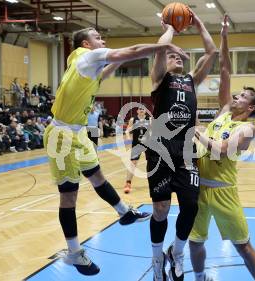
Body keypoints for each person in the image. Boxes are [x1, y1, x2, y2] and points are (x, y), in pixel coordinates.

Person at [43, 27, 188, 276]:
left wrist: (151, 51)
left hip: (77, 133)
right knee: (69, 197)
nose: (103, 40)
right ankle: (74, 254)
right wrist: (163, 46)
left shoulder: (84, 64)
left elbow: (108, 70)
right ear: (86, 44)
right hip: (61, 135)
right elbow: (129, 52)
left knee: (97, 176)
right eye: (98, 37)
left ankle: (123, 212)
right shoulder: (86, 56)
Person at [189, 15, 255, 281]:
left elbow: (221, 150)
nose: (236, 96)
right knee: (195, 241)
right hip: (199, 187)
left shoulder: (247, 129)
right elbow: (224, 70)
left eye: (242, 97)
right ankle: (200, 278)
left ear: (251, 107)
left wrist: (197, 133)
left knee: (242, 245)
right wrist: (223, 36)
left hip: (224, 193)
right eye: (237, 94)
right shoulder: (223, 112)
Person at [147, 9, 216, 281]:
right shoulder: (160, 80)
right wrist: (170, 28)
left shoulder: (191, 81)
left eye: (178, 55)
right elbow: (161, 49)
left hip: (186, 151)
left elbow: (210, 53)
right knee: (161, 209)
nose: (175, 56)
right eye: (171, 54)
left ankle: (177, 251)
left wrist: (197, 23)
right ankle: (155, 258)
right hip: (160, 149)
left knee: (190, 206)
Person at [124, 106, 151, 194]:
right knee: (133, 164)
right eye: (140, 109)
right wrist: (128, 138)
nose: (141, 110)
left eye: (143, 109)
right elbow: (127, 131)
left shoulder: (149, 119)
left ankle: (153, 183)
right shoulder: (133, 119)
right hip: (137, 144)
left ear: (145, 111)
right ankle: (128, 183)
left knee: (151, 163)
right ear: (137, 111)